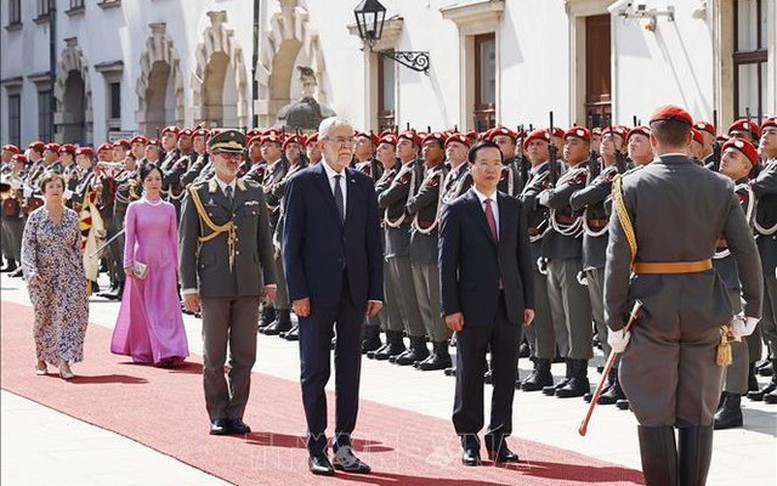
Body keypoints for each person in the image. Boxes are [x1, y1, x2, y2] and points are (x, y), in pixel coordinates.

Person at [604, 105, 762, 485]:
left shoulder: (630, 185)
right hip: (704, 307)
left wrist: (613, 321)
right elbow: (745, 250)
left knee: (654, 411)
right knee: (698, 411)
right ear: (692, 141)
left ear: (653, 141)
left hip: (649, 309)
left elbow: (617, 258)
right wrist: (752, 310)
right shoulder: (720, 185)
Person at [283, 116, 384, 476]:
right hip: (315, 293)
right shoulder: (302, 183)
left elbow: (373, 241)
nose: (346, 146)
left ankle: (344, 442)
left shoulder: (363, 184)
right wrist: (297, 293)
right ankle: (316, 444)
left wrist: (375, 289)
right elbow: (290, 245)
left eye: (350, 139)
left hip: (354, 292)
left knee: (350, 369)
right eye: (338, 139)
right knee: (314, 370)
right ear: (321, 144)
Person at [439, 139, 535, 466]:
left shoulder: (513, 207)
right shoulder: (457, 209)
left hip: (509, 303)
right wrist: (449, 307)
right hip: (470, 306)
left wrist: (528, 301)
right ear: (471, 168)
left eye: (497, 163)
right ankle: (469, 437)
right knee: (470, 372)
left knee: (506, 372)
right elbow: (446, 263)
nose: (492, 169)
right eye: (484, 163)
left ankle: (499, 436)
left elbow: (523, 257)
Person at [179, 129, 277, 436]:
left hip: (248, 284)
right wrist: (189, 287)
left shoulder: (254, 192)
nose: (233, 161)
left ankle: (237, 412)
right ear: (212, 158)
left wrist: (270, 281)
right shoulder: (197, 194)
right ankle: (218, 413)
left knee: (245, 354)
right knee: (214, 355)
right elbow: (186, 244)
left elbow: (264, 242)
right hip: (213, 284)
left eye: (237, 156)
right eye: (227, 155)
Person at [110, 163, 189, 367]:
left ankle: (170, 349)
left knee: (166, 308)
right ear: (143, 182)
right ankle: (146, 349)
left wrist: (178, 268)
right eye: (150, 179)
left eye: (157, 179)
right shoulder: (134, 207)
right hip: (141, 262)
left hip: (165, 263)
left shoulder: (170, 208)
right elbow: (129, 238)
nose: (155, 183)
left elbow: (174, 238)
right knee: (145, 308)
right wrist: (127, 263)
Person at [21, 171, 89, 380]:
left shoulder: (72, 216)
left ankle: (64, 362)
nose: (55, 190)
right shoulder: (36, 217)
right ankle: (40, 356)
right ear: (44, 191)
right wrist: (31, 271)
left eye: (58, 186)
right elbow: (28, 247)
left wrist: (81, 277)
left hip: (68, 276)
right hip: (42, 277)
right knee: (45, 318)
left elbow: (77, 248)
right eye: (51, 186)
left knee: (68, 316)